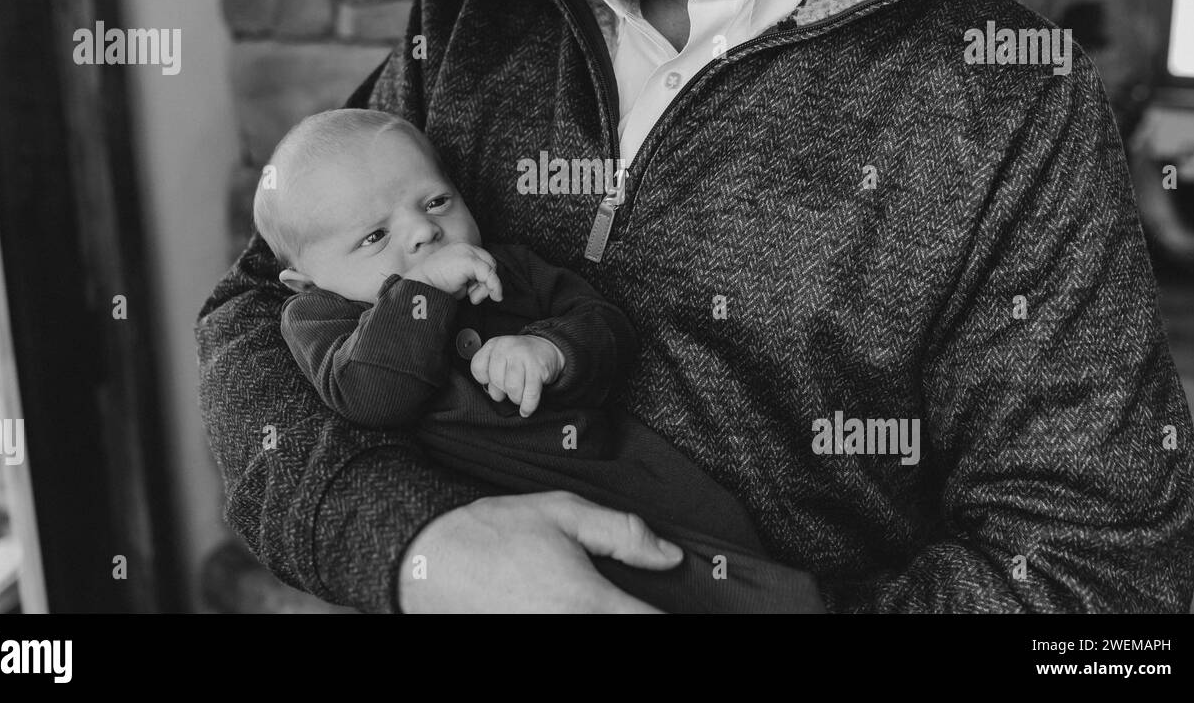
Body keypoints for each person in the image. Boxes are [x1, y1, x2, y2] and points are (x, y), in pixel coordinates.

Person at [196, 0, 1194, 612]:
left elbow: (1095, 570)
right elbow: (257, 306)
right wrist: (418, 548)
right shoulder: (467, 14)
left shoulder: (1010, 100)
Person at [253, 107, 825, 612]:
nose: (425, 232)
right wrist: (420, 293)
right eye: (375, 237)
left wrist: (551, 349)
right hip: (500, 523)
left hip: (619, 477)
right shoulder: (320, 318)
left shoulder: (510, 268)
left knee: (729, 577)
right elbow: (373, 396)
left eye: (435, 201)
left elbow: (605, 327)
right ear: (304, 281)